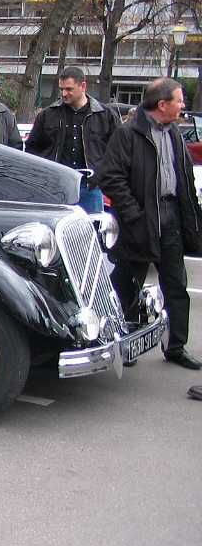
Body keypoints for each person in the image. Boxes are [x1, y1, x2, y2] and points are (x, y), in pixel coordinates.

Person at [95, 77, 202, 370]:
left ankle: (176, 346)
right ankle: (124, 344)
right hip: (138, 223)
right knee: (127, 286)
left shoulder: (176, 135)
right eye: (180, 100)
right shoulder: (128, 133)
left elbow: (185, 182)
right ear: (162, 104)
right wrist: (133, 215)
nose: (183, 105)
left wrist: (191, 218)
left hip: (171, 221)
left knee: (176, 285)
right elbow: (110, 177)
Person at [25, 66, 121, 213]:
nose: (64, 93)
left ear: (83, 86)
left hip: (90, 186)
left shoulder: (106, 116)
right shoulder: (47, 115)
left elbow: (118, 152)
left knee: (92, 232)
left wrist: (103, 177)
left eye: (69, 89)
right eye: (61, 89)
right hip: (56, 187)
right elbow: (32, 149)